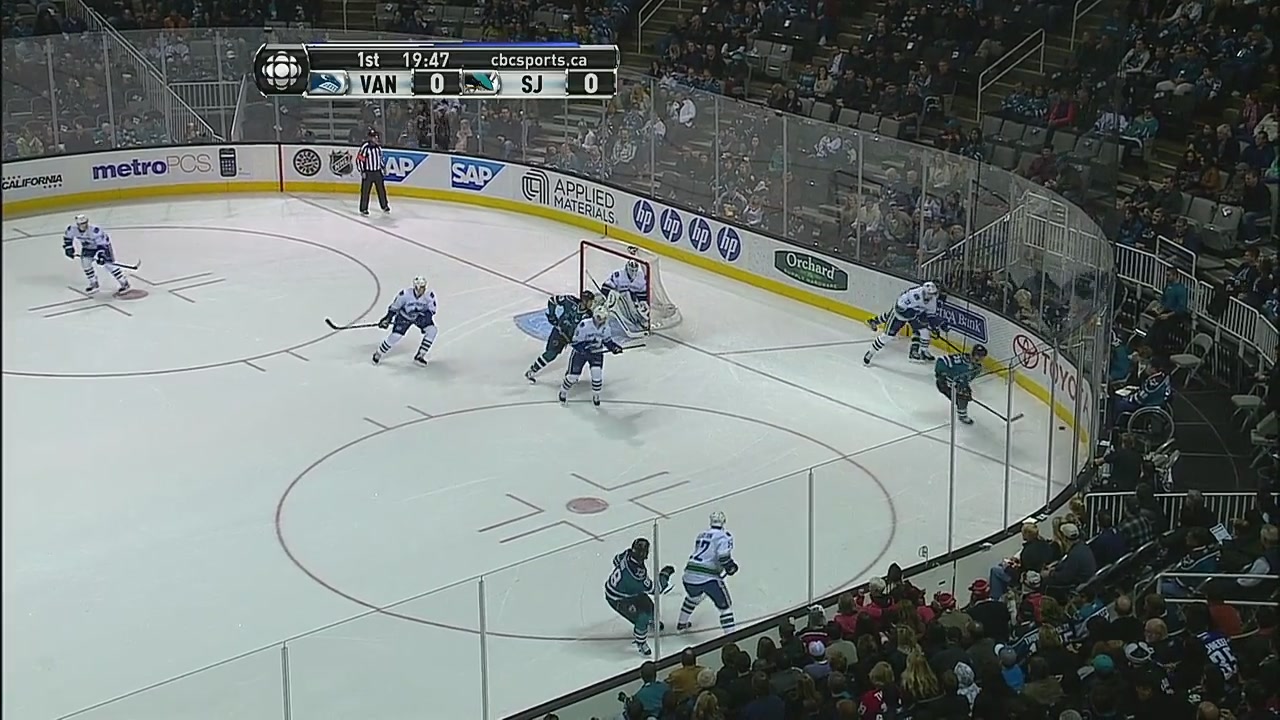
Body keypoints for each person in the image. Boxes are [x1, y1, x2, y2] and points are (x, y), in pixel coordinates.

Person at [356, 128, 390, 215]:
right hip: (368, 172)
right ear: (370, 138)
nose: (376, 138)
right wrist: (362, 171)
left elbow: (380, 158)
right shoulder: (365, 147)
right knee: (365, 191)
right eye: (374, 137)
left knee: (381, 190)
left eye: (376, 136)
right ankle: (363, 208)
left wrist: (383, 167)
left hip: (377, 172)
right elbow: (359, 159)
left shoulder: (378, 147)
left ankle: (384, 205)